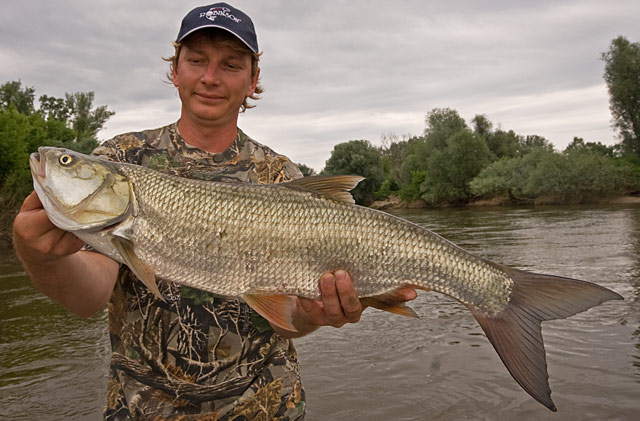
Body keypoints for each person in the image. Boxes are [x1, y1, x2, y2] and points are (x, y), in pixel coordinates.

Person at [12, 3, 416, 420]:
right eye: (197, 60)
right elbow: (87, 298)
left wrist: (314, 315)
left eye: (230, 64)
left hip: (265, 406)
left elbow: (287, 317)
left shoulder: (278, 174)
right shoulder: (122, 156)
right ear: (176, 70)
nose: (210, 77)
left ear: (253, 80)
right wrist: (41, 256)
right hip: (142, 409)